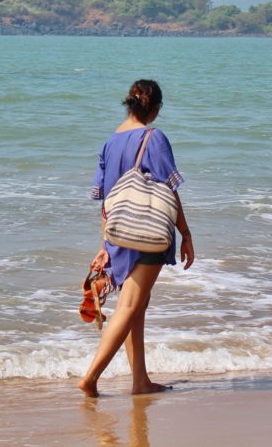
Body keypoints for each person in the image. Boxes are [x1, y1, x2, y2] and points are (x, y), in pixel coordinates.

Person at [78, 79, 194, 398]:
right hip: (149, 231)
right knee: (130, 306)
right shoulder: (153, 138)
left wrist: (104, 246)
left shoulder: (109, 143)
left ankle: (140, 380)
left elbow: (106, 202)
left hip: (119, 231)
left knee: (136, 308)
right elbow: (169, 189)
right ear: (154, 109)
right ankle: (91, 377)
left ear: (129, 103)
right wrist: (185, 233)